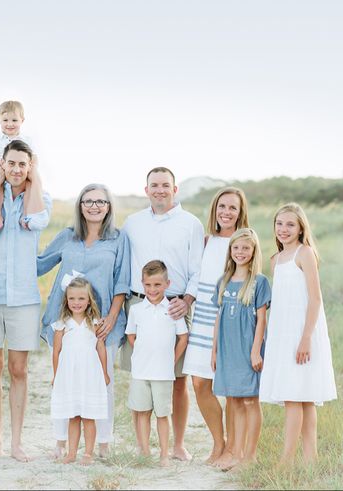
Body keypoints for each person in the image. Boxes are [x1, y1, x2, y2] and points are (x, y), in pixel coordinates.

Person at [37, 183, 130, 458]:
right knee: (66, 381)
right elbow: (40, 263)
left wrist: (112, 317)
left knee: (103, 383)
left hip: (101, 324)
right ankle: (61, 442)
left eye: (101, 201)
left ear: (109, 206)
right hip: (67, 320)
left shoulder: (118, 238)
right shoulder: (68, 237)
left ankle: (102, 443)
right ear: (80, 206)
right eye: (88, 201)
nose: (94, 206)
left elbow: (122, 280)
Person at [0, 139, 52, 462]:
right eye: (11, 163)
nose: (17, 169)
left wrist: (36, 181)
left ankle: (17, 442)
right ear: (2, 164)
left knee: (18, 370)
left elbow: (35, 221)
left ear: (30, 166)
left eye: (23, 164)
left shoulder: (40, 196)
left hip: (24, 298)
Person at [121, 166, 203, 461]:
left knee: (177, 379)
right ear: (146, 190)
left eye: (165, 185)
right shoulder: (132, 223)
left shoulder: (190, 223)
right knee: (140, 377)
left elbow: (197, 268)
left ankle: (177, 445)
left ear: (174, 189)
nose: (159, 190)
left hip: (176, 306)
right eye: (154, 185)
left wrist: (188, 300)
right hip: (139, 305)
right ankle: (143, 448)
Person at [259, 203, 337, 465]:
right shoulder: (275, 259)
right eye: (279, 224)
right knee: (300, 397)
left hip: (303, 333)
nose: (284, 229)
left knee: (297, 396)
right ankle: (309, 460)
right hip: (283, 334)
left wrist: (306, 338)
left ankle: (287, 459)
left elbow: (315, 299)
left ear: (301, 227)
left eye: (290, 224)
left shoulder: (305, 254)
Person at [182, 186, 250, 464]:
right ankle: (218, 443)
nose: (226, 212)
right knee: (199, 383)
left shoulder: (244, 242)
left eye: (233, 207)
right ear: (215, 209)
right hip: (203, 318)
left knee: (232, 388)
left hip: (231, 318)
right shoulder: (206, 241)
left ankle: (235, 449)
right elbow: (196, 277)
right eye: (222, 206)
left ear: (240, 212)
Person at [210, 228, 271, 470]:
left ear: (254, 250)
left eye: (246, 248)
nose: (240, 252)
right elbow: (218, 318)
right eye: (236, 248)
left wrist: (256, 350)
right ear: (230, 251)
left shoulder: (259, 282)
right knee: (233, 400)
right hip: (227, 348)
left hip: (248, 349)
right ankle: (233, 452)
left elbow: (262, 320)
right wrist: (214, 350)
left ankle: (250, 455)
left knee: (250, 401)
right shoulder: (223, 281)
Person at [126, 260, 189, 467]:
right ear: (142, 284)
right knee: (142, 412)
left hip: (163, 373)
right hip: (141, 371)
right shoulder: (136, 310)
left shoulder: (172, 309)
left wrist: (171, 360)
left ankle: (164, 455)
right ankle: (144, 451)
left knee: (163, 413)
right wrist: (145, 353)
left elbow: (183, 338)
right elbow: (131, 336)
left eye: (157, 285)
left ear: (167, 284)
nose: (152, 289)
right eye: (148, 285)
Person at [51, 278, 110, 465]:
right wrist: (56, 375)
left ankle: (88, 453)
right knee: (73, 416)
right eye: (72, 298)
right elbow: (56, 352)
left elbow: (101, 349)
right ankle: (72, 453)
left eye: (81, 298)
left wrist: (105, 373)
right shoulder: (62, 324)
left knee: (88, 416)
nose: (76, 303)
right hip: (69, 376)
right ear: (66, 300)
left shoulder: (94, 323)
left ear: (89, 300)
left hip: (90, 375)